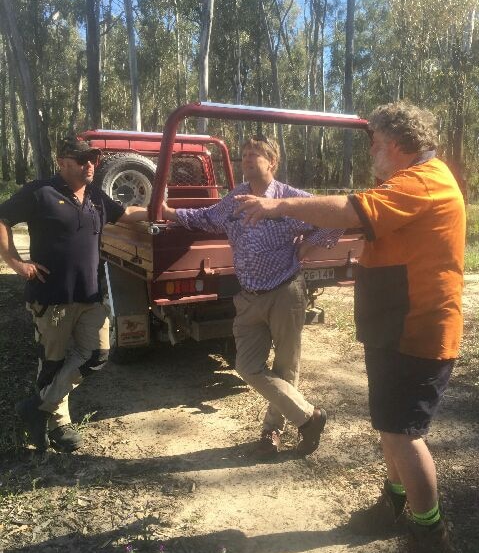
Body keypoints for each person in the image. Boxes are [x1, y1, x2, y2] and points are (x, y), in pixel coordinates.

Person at [234, 102, 465, 553]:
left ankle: (431, 538)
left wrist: (279, 205)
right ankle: (393, 504)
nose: (373, 152)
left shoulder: (425, 181)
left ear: (398, 141)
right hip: (392, 328)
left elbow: (349, 208)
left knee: (405, 433)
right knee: (390, 428)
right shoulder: (406, 182)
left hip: (416, 330)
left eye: (376, 142)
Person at [161, 136, 342, 457]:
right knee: (247, 366)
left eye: (254, 154)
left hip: (285, 292)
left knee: (286, 366)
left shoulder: (291, 199)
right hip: (249, 297)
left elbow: (335, 219)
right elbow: (204, 217)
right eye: (243, 155)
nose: (245, 159)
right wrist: (169, 212)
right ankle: (308, 418)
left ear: (272, 162)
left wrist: (310, 243)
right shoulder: (235, 198)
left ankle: (271, 432)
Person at [0, 136, 149, 453]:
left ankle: (36, 407)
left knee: (97, 355)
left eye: (92, 159)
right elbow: (2, 218)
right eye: (83, 160)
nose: (90, 164)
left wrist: (158, 210)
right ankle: (57, 425)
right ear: (63, 163)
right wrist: (14, 261)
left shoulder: (95, 195)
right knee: (52, 362)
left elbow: (125, 214)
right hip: (51, 296)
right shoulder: (40, 192)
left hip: (91, 295)